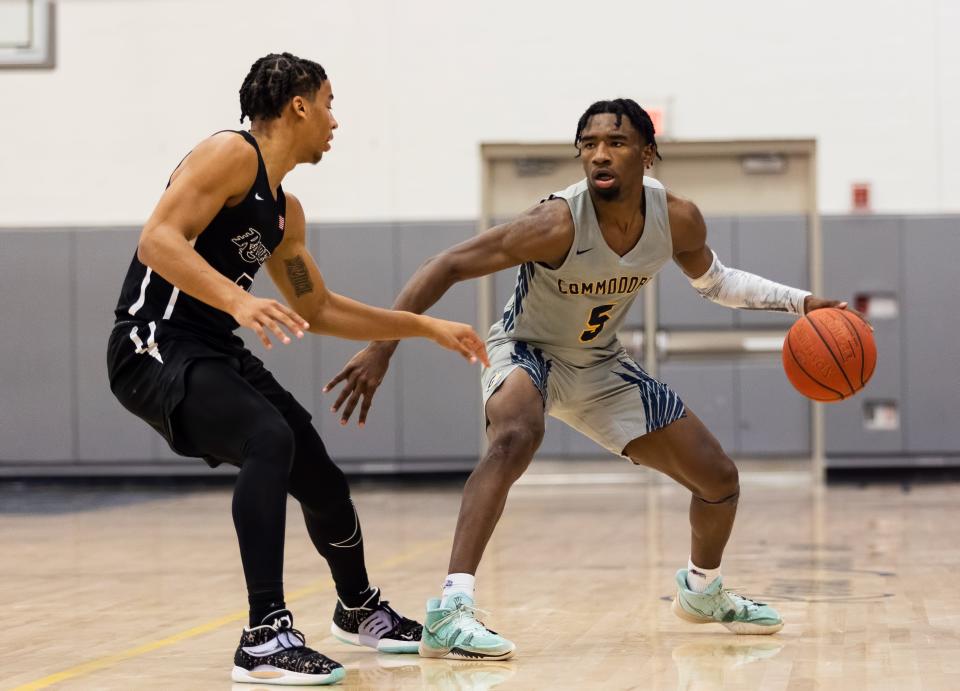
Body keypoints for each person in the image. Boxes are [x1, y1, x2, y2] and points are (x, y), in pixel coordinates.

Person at [326, 98, 850, 660]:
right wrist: (382, 347)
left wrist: (803, 304)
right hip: (527, 350)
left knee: (718, 478)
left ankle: (703, 591)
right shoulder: (556, 223)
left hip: (600, 362)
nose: (599, 154)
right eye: (589, 144)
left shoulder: (677, 218)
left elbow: (716, 283)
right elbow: (447, 264)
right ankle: (452, 609)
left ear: (647, 154)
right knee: (515, 436)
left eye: (616, 143)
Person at [107, 52, 488, 685]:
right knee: (269, 437)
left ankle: (358, 608)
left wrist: (422, 326)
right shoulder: (229, 153)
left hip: (212, 347)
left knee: (316, 469)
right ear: (299, 105)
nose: (336, 121)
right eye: (330, 104)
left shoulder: (285, 212)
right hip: (152, 341)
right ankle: (264, 637)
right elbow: (157, 240)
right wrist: (236, 298)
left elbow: (319, 306)